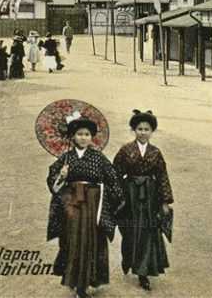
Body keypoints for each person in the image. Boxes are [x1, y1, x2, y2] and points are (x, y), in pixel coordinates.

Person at [47, 116, 123, 298]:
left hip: (92, 204)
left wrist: (118, 197)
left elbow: (112, 177)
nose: (83, 138)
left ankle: (88, 281)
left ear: (92, 137)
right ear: (72, 136)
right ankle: (74, 281)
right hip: (71, 203)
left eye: (87, 134)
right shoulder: (65, 158)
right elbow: (53, 182)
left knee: (91, 239)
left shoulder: (98, 157)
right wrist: (61, 176)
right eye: (79, 134)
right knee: (72, 240)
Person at [113, 110, 173, 291]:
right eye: (139, 129)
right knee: (130, 231)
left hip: (149, 196)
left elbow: (162, 175)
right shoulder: (125, 150)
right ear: (134, 130)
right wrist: (118, 195)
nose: (143, 132)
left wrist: (164, 201)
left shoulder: (156, 152)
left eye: (147, 129)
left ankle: (143, 272)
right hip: (130, 195)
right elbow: (115, 173)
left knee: (147, 232)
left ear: (152, 131)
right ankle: (128, 259)